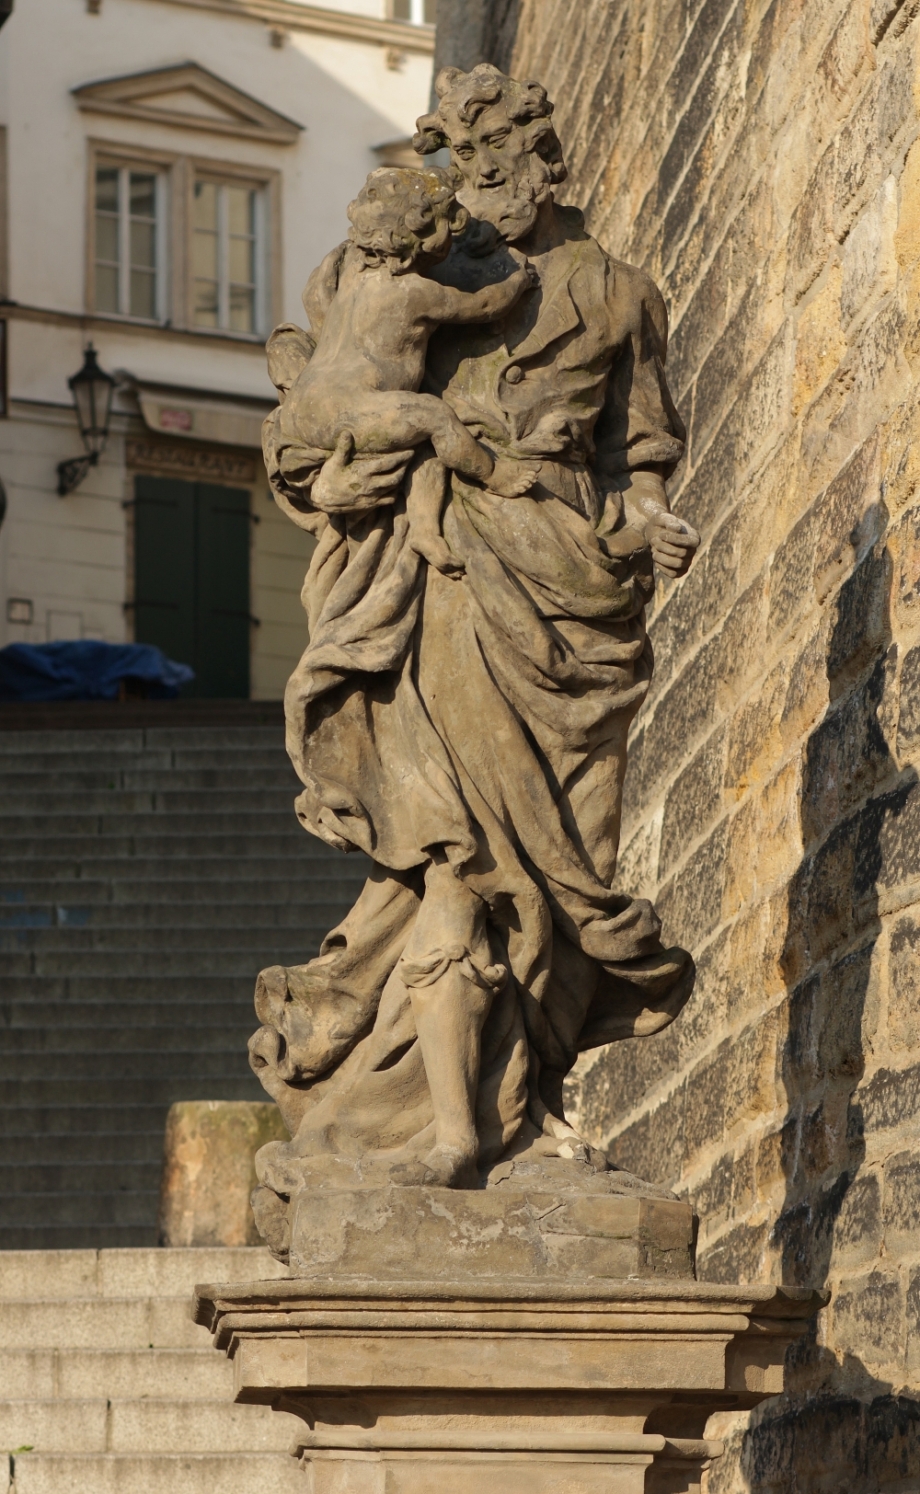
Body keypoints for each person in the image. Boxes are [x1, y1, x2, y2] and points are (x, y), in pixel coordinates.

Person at [251, 64, 702, 1206]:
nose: (479, 186)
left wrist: (649, 525)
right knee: (459, 854)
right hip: (439, 589)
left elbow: (635, 453)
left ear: (543, 165)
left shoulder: (616, 294)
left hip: (568, 594)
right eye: (458, 163)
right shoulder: (405, 267)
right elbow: (307, 427)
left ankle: (521, 1101)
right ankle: (456, 1128)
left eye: (497, 162)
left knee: (561, 880)